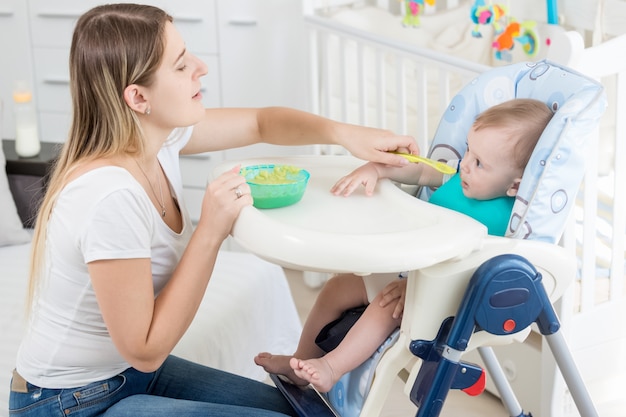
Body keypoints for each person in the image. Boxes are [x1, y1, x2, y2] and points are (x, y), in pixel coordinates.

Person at [8, 4, 419, 417]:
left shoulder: (158, 141)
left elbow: (261, 123)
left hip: (126, 375)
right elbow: (146, 351)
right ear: (138, 97)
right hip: (68, 402)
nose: (200, 68)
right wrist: (211, 229)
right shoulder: (108, 196)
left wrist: (345, 134)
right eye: (182, 65)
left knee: (308, 411)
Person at [255, 98, 554, 393]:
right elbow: (420, 171)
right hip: (408, 271)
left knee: (385, 307)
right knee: (337, 287)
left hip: (443, 294)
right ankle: (301, 362)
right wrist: (377, 170)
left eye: (479, 163)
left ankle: (331, 368)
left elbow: (477, 269)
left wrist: (417, 286)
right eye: (467, 151)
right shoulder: (456, 173)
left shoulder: (508, 218)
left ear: (514, 185)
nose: (465, 165)